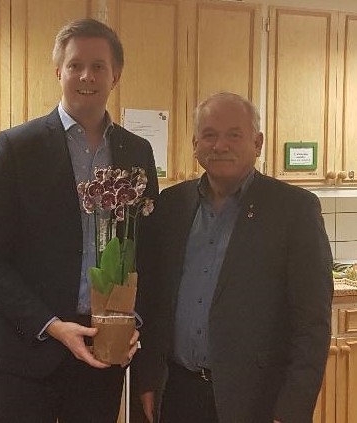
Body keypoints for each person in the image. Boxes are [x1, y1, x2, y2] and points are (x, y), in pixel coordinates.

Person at [0, 18, 158, 423]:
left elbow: (148, 252)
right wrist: (52, 325)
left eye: (98, 66)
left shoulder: (137, 152)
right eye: (75, 65)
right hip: (25, 353)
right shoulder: (17, 147)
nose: (86, 76)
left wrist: (133, 323)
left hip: (102, 352)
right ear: (59, 71)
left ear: (116, 75)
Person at [134, 92, 333, 423]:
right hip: (177, 393)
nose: (220, 145)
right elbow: (154, 302)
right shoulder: (171, 205)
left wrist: (291, 411)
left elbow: (312, 325)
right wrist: (147, 379)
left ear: (258, 143)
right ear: (195, 144)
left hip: (256, 400)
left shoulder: (294, 210)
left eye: (234, 135)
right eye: (209, 134)